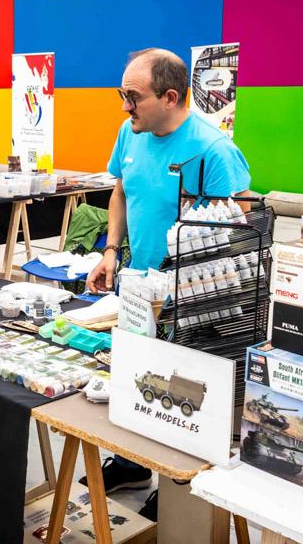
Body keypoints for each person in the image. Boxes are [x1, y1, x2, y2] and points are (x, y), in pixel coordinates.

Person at [83, 48, 251, 518]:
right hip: (138, 286)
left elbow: (238, 220)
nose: (125, 107)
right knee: (135, 377)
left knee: (182, 393)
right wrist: (110, 252)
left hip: (192, 298)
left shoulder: (213, 150)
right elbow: (121, 190)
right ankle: (131, 465)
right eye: (122, 95)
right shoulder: (130, 133)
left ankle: (175, 488)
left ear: (170, 97)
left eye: (133, 97)